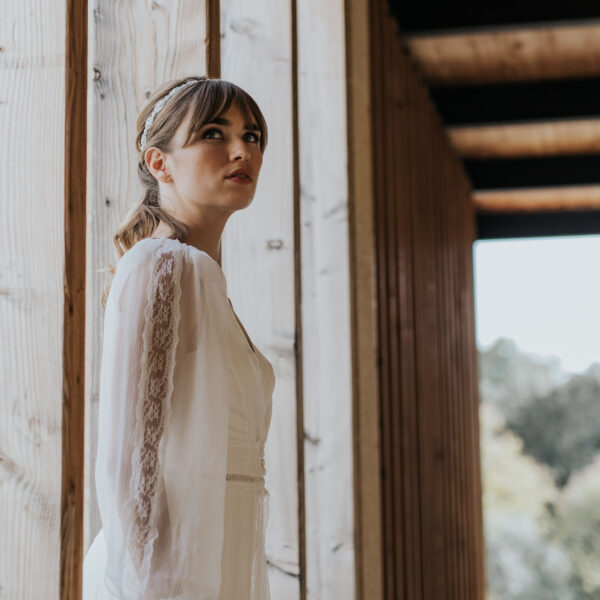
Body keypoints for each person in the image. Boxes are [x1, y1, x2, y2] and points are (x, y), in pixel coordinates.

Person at [82, 76, 275, 600]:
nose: (242, 150)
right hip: (164, 575)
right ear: (159, 162)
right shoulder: (162, 264)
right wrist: (152, 584)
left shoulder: (202, 277)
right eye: (215, 133)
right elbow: (129, 460)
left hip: (218, 558)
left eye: (253, 136)